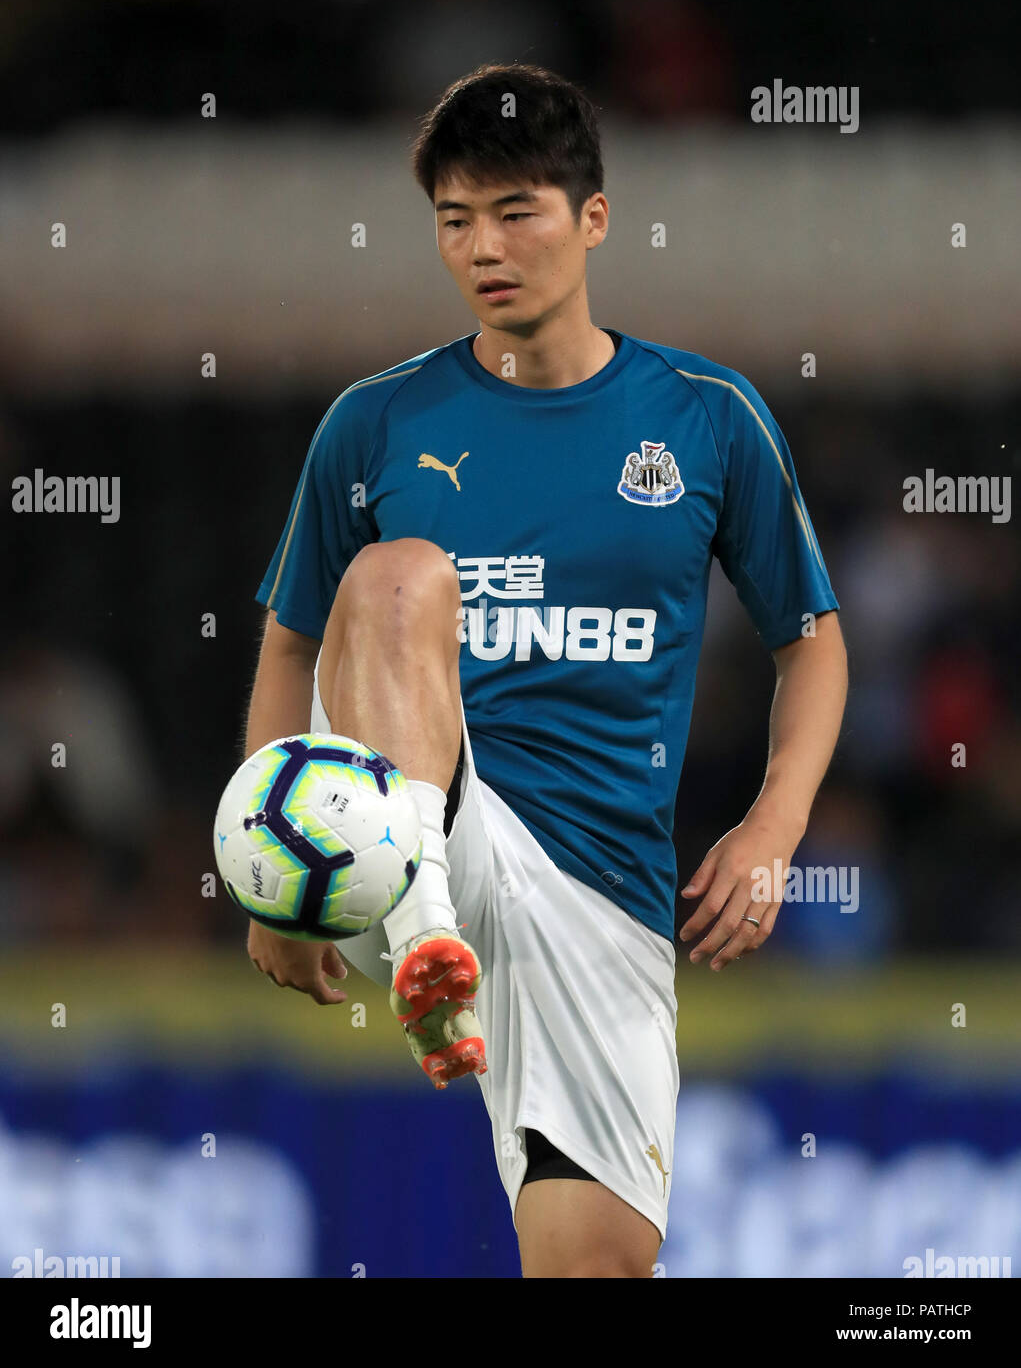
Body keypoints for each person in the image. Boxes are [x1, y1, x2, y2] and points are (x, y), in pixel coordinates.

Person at [243, 62, 848, 1278]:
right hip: (416, 830)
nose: (484, 247)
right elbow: (294, 640)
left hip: (600, 891)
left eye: (515, 210)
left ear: (593, 217)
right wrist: (269, 865)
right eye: (455, 220)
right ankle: (421, 939)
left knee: (594, 1270)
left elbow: (814, 642)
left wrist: (774, 827)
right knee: (396, 577)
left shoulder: (705, 417)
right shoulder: (377, 422)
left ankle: (440, 963)